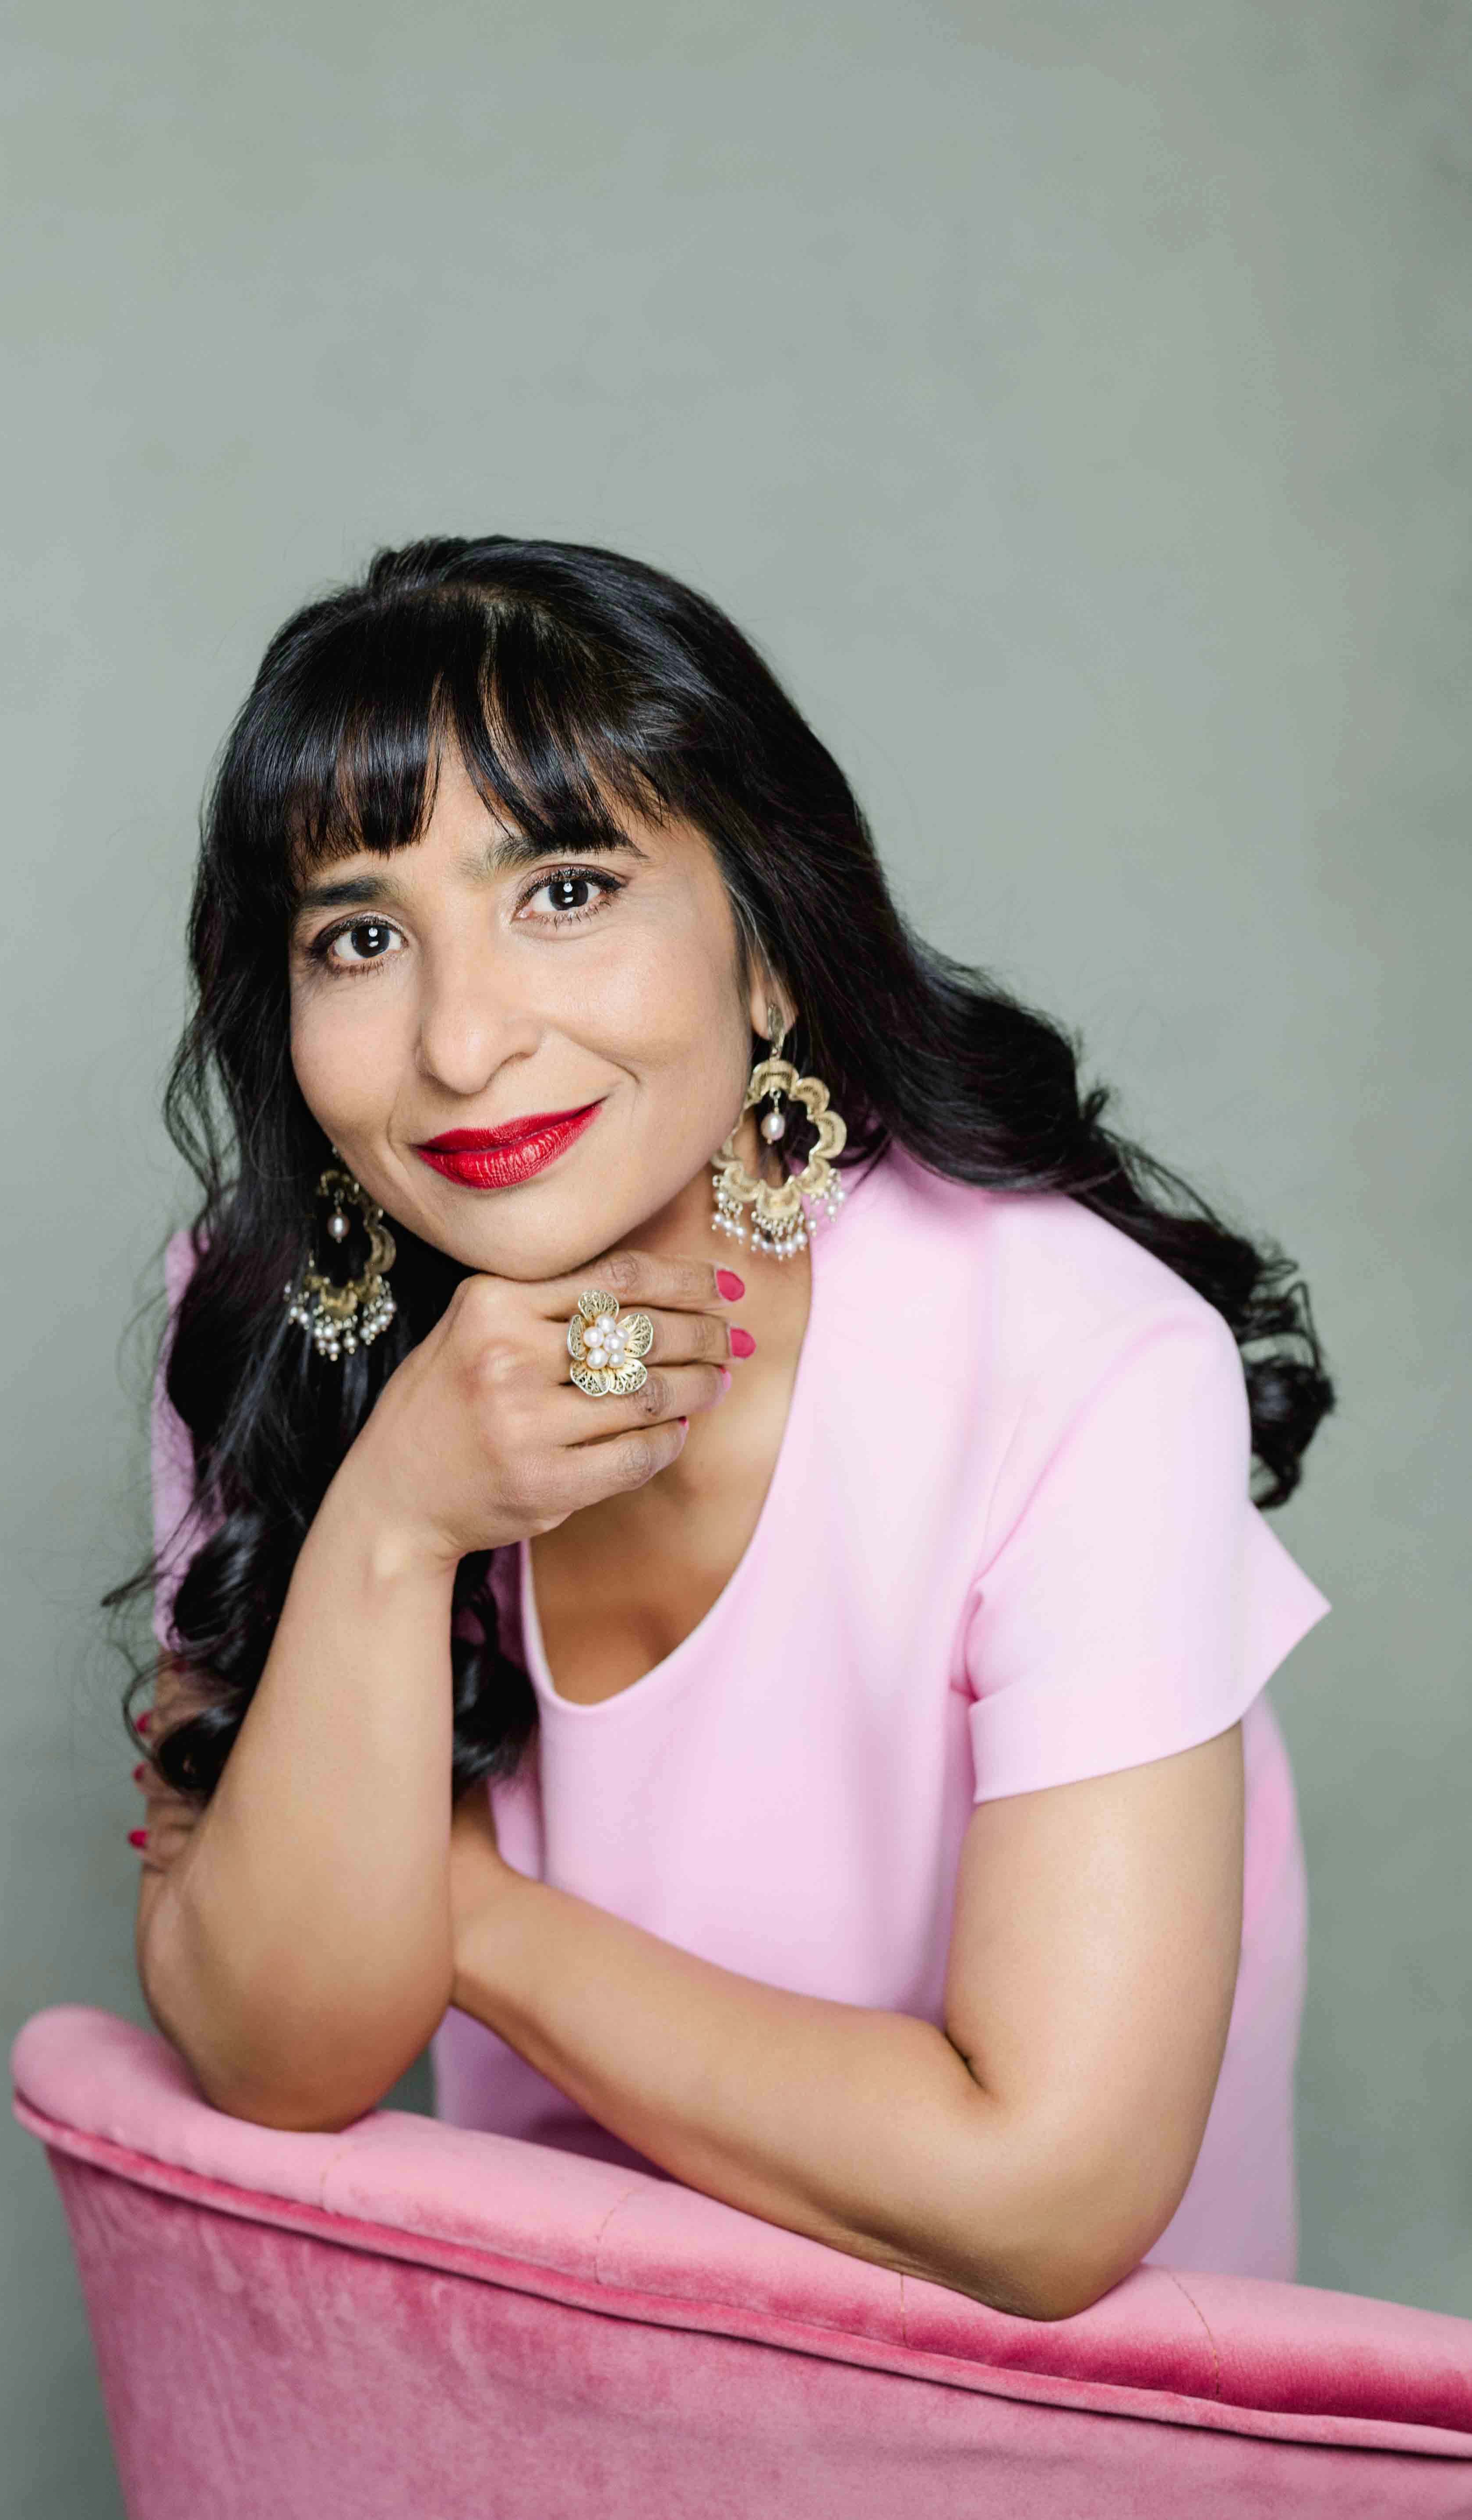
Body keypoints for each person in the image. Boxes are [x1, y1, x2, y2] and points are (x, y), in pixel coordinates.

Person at [114, 534, 1333, 2322]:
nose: (461, 1045)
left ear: (769, 950)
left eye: (564, 892)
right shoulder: (272, 1313)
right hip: (560, 2392)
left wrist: (478, 1921)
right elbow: (276, 2059)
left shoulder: (1081, 1359)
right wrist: (395, 1518)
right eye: (361, 937)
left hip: (1044, 2448)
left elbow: (1049, 2197)